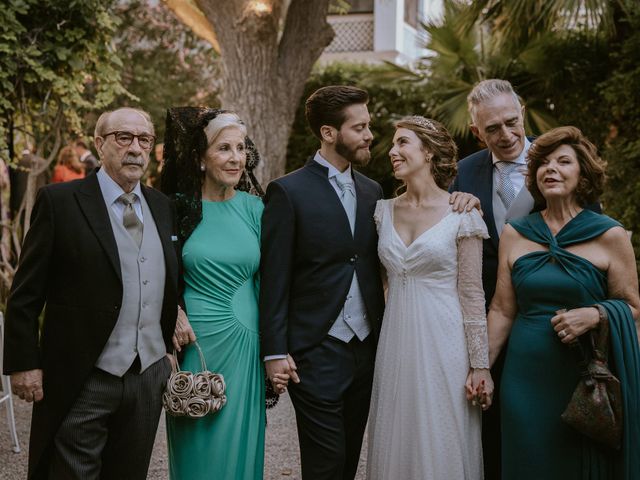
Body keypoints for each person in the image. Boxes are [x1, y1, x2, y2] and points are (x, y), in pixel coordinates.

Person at [260, 86, 482, 479]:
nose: (370, 137)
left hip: (371, 350)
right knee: (325, 462)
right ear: (330, 133)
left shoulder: (373, 195)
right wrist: (275, 349)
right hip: (316, 347)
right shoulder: (288, 191)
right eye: (360, 127)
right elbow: (275, 277)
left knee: (351, 458)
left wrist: (464, 200)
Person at [2, 107, 179, 479]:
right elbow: (26, 292)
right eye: (124, 138)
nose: (135, 148)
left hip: (147, 373)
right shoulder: (60, 202)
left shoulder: (162, 207)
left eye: (144, 140)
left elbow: (161, 275)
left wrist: (170, 331)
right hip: (84, 373)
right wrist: (23, 362)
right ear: (100, 144)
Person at [450, 79, 601, 478]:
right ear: (476, 132)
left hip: (558, 319)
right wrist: (455, 206)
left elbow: (593, 233)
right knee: (498, 430)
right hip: (492, 319)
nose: (506, 135)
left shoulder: (560, 163)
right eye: (492, 128)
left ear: (522, 112)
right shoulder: (462, 174)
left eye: (511, 121)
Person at [487, 126, 640, 479]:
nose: (550, 169)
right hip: (524, 377)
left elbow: (632, 306)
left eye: (563, 161)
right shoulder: (516, 232)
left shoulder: (609, 235)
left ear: (583, 175)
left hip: (583, 377)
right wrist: (479, 367)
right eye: (543, 163)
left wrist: (596, 313)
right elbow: (501, 309)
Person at [367, 116, 492, 479]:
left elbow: (472, 294)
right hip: (396, 340)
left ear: (429, 152)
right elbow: (383, 283)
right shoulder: (382, 212)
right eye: (393, 144)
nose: (392, 151)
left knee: (443, 432)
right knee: (397, 430)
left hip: (446, 339)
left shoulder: (462, 214)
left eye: (403, 143)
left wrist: (480, 364)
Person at [161, 107, 283, 480]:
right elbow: (157, 271)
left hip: (245, 342)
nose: (235, 158)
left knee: (240, 444)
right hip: (194, 340)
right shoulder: (175, 209)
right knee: (196, 436)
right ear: (200, 158)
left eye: (241, 148)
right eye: (224, 148)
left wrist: (274, 349)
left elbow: (273, 281)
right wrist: (171, 314)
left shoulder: (256, 209)